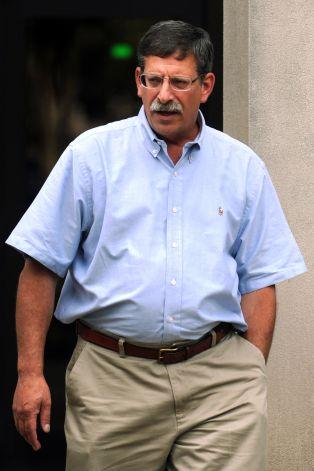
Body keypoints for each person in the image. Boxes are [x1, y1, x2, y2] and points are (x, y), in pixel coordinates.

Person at [6, 20, 306, 471]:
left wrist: (249, 370)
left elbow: (261, 278)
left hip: (219, 381)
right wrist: (30, 375)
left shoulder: (242, 167)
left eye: (179, 82)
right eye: (153, 79)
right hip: (113, 378)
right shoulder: (92, 156)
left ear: (206, 86)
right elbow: (41, 268)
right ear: (139, 82)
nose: (163, 94)